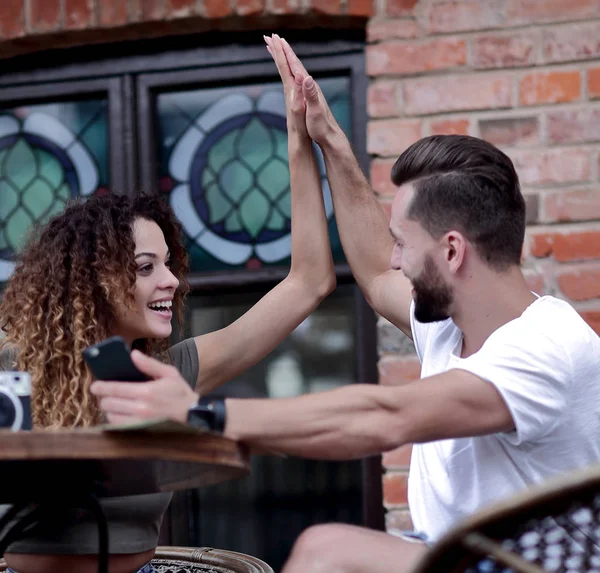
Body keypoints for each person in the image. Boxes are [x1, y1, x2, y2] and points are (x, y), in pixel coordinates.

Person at [92, 35, 600, 573]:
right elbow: (377, 268)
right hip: (461, 558)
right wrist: (327, 137)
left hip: (527, 568)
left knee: (325, 551)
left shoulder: (547, 347)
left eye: (404, 244)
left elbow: (383, 417)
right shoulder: (451, 326)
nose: (397, 262)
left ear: (452, 250)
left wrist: (199, 414)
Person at [0, 37, 335, 573]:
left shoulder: (167, 373)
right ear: (89, 279)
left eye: (169, 263)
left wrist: (299, 139)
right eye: (145, 267)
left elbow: (309, 283)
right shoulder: (10, 368)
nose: (173, 281)